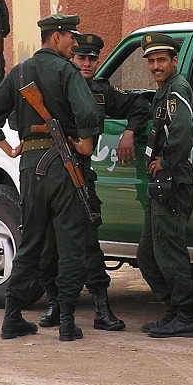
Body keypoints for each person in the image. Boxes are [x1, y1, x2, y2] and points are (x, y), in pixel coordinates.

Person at [0, 14, 99, 342]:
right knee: (71, 240)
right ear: (56, 36)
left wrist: (11, 150)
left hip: (31, 166)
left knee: (30, 240)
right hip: (64, 165)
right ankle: (68, 322)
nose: (76, 44)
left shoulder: (18, 72)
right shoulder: (65, 70)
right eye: (72, 37)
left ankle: (12, 317)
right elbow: (88, 111)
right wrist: (86, 143)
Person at [38, 33, 149, 332]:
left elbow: (138, 106)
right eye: (81, 57)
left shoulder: (100, 91)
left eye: (92, 58)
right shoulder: (54, 86)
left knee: (89, 245)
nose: (86, 63)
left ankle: (101, 308)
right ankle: (54, 304)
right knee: (48, 244)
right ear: (70, 58)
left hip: (81, 177)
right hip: (49, 174)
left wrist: (130, 132)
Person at [137, 32, 193, 338]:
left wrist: (166, 160)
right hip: (161, 184)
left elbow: (184, 130)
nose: (156, 66)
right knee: (148, 254)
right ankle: (172, 310)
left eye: (162, 60)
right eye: (151, 61)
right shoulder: (164, 91)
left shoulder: (177, 89)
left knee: (170, 252)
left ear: (175, 61)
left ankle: (185, 316)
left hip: (173, 182)